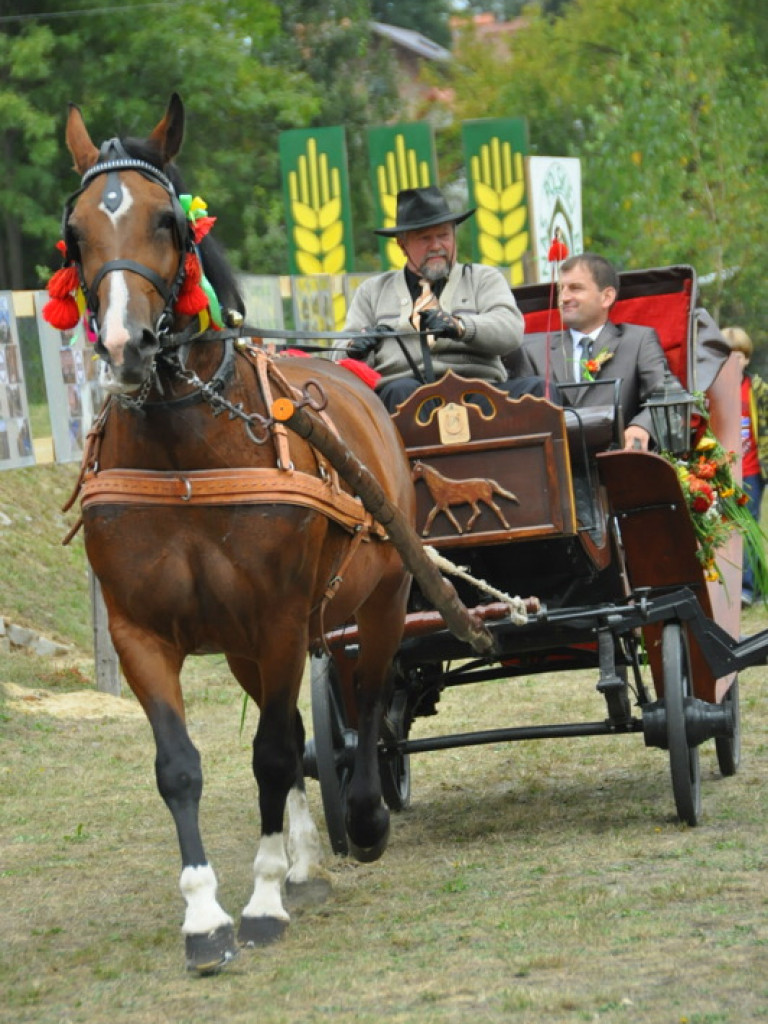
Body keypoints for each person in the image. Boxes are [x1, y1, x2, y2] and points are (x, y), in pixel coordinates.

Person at [345, 186, 556, 411]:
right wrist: (356, 348)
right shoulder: (372, 291)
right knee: (402, 392)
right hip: (403, 396)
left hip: (479, 390)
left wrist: (460, 327)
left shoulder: (483, 278)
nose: (436, 246)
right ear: (402, 244)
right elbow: (339, 352)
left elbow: (511, 329)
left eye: (443, 235)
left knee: (539, 390)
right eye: (425, 238)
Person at [509, 252, 669, 451]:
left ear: (606, 297)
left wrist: (641, 426)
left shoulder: (638, 341)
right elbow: (518, 416)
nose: (564, 298)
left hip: (621, 465)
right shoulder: (533, 351)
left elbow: (667, 397)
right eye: (561, 289)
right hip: (556, 469)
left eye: (575, 288)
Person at [721, 326, 768, 606]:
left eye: (739, 357)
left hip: (751, 469)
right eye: (728, 357)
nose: (734, 363)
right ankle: (750, 584)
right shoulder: (713, 390)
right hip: (725, 471)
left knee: (749, 527)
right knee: (729, 529)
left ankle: (748, 588)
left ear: (747, 359)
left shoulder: (758, 388)